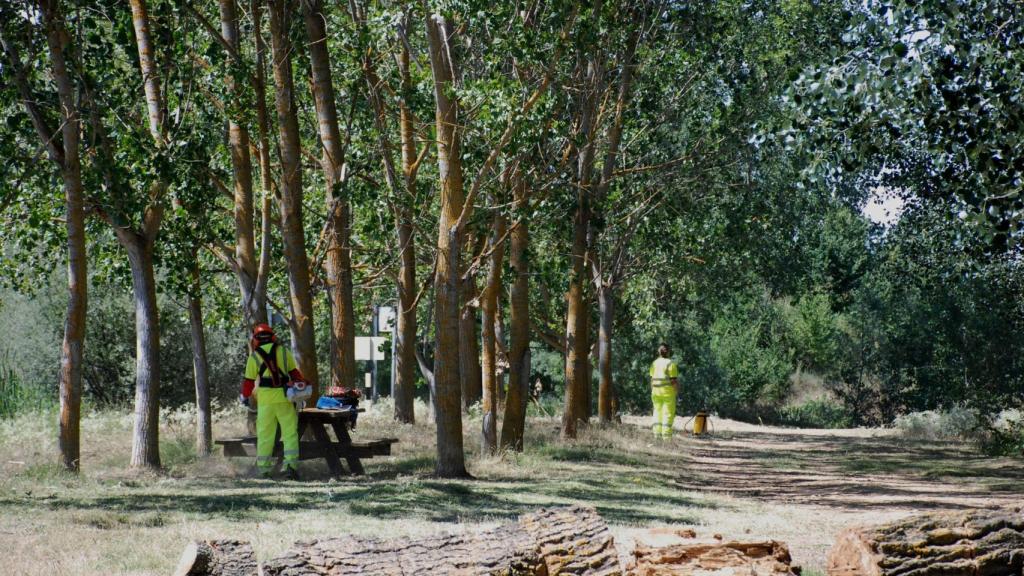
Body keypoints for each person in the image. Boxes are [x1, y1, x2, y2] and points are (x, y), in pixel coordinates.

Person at [240, 323, 306, 480]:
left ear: (256, 339)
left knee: (265, 436)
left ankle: (264, 470)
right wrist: (301, 391)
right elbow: (295, 374)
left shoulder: (254, 357)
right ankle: (290, 467)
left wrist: (244, 396)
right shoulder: (284, 352)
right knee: (290, 434)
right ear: (273, 337)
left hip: (266, 402)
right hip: (285, 398)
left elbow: (248, 382)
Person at [649, 343, 679, 439]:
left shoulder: (654, 363)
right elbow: (673, 380)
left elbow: (652, 379)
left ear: (659, 352)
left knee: (657, 412)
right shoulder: (670, 364)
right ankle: (666, 437)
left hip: (655, 392)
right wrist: (677, 390)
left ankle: (656, 435)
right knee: (668, 414)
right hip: (668, 393)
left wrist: (652, 390)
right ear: (668, 352)